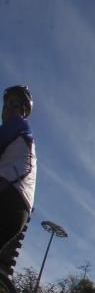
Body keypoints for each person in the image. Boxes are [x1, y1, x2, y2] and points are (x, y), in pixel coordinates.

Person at [0, 85, 36, 254]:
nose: (8, 108)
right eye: (6, 104)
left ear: (23, 110)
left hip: (9, 196)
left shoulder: (17, 124)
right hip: (19, 209)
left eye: (14, 104)